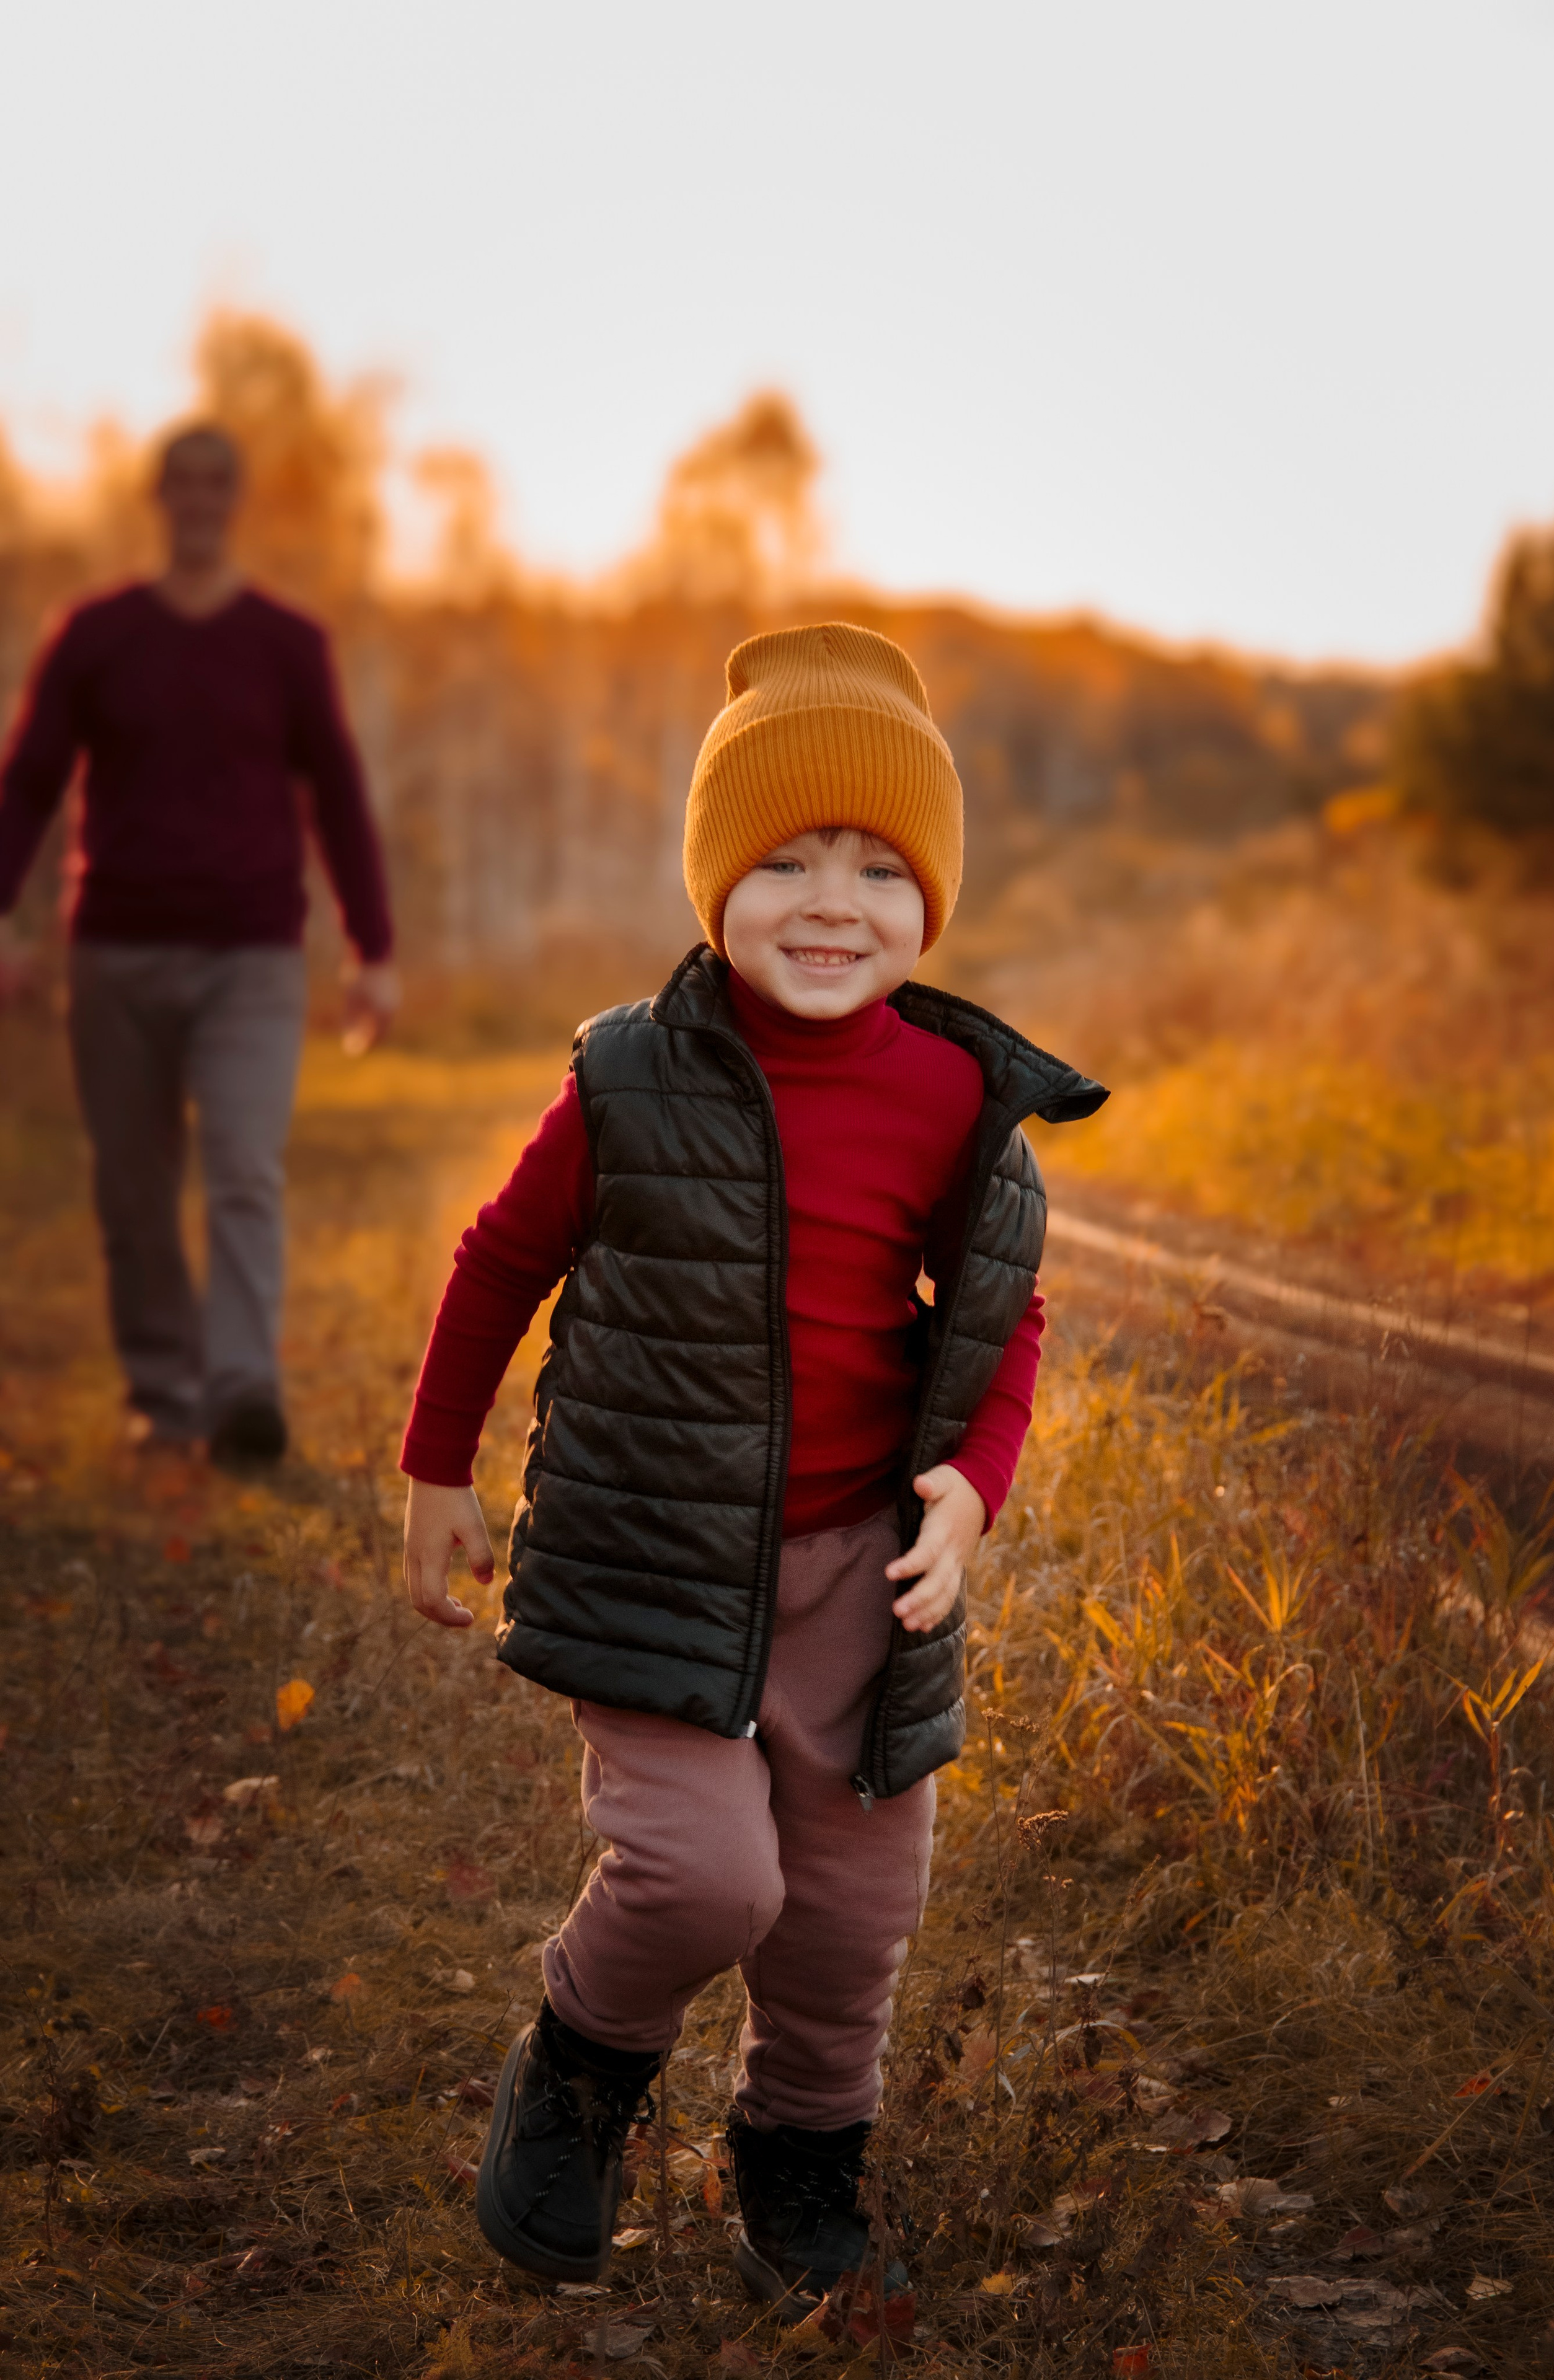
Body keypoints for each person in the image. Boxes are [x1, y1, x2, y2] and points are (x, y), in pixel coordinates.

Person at [399, 623, 1106, 2312]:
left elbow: (1005, 1326)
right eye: (783, 860)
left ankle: (799, 2154)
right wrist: (435, 1473)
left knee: (851, 1915)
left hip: (861, 1579)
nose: (832, 902)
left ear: (931, 901)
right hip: (658, 1552)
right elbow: (502, 1261)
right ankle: (578, 2067)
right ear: (715, 882)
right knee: (709, 1876)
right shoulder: (634, 1079)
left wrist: (971, 1491)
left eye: (878, 865)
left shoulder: (952, 1093)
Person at [0, 423, 398, 1461]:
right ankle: (163, 1392)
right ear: (157, 495)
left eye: (219, 480)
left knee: (241, 1168)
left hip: (252, 953)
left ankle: (240, 1392)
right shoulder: (94, 634)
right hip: (117, 952)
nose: (201, 498)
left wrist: (374, 948)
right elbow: (29, 783)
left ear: (238, 497)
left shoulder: (286, 643)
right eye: (183, 481)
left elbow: (342, 800)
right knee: (131, 1183)